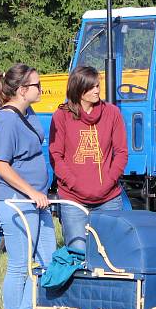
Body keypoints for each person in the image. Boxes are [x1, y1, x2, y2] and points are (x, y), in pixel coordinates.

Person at [0, 64, 56, 309]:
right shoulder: (6, 120)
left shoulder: (27, 114)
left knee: (47, 259)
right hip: (15, 200)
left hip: (36, 200)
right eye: (37, 85)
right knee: (20, 263)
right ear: (21, 90)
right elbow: (1, 166)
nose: (41, 89)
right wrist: (31, 192)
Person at [48, 66, 128, 252]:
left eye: (98, 86)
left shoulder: (112, 113)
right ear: (78, 89)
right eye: (91, 87)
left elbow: (122, 152)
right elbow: (55, 156)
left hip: (109, 198)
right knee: (78, 252)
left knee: (110, 253)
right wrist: (74, 183)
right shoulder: (61, 116)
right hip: (73, 199)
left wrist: (109, 181)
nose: (97, 90)